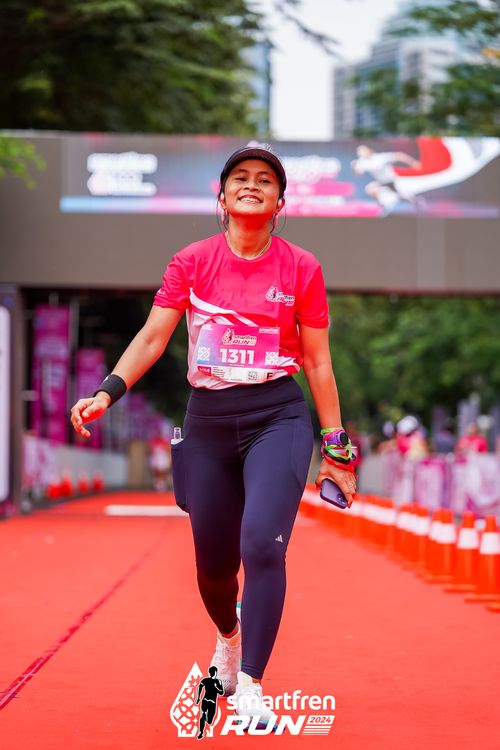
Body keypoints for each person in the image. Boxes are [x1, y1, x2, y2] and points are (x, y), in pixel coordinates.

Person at [69, 144, 357, 727]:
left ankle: (251, 683)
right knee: (214, 568)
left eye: (265, 180)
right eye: (240, 178)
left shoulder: (302, 267)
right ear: (221, 197)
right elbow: (153, 337)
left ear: (280, 202)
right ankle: (228, 638)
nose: (252, 185)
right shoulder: (192, 261)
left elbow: (318, 361)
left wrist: (336, 446)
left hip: (277, 415)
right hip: (208, 422)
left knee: (263, 544)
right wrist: (108, 391)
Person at [195, 665, 224, 740]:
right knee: (204, 716)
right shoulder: (210, 680)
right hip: (208, 701)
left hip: (208, 701)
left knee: (209, 720)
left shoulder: (214, 681)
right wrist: (198, 697)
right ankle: (201, 732)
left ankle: (205, 719)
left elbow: (221, 692)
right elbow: (221, 692)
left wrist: (198, 697)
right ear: (215, 673)